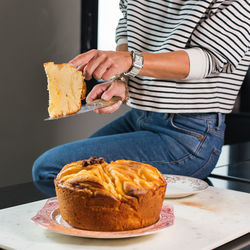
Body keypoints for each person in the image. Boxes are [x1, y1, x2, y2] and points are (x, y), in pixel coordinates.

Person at [33, 0, 250, 196]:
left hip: (189, 135)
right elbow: (128, 29)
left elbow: (209, 59)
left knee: (50, 169)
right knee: (78, 175)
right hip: (142, 116)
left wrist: (129, 61)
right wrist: (122, 80)